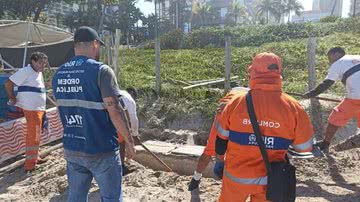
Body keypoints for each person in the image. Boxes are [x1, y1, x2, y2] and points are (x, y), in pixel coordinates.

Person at [214, 52, 314, 202]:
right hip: (271, 180)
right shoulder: (293, 107)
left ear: (252, 72)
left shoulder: (235, 103)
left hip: (236, 177)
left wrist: (220, 160)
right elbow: (304, 148)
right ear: (278, 72)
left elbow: (221, 139)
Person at [52, 26, 135, 202]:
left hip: (72, 146)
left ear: (75, 46)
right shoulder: (101, 71)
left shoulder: (58, 74)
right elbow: (114, 110)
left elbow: (64, 109)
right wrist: (129, 140)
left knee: (76, 196)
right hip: (100, 148)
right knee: (112, 197)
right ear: (95, 44)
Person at [304, 47, 360, 152]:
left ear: (335, 54)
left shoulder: (338, 63)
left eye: (329, 58)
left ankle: (325, 144)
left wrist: (312, 93)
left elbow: (327, 83)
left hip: (355, 98)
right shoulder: (357, 57)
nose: (330, 61)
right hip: (356, 97)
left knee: (335, 117)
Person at [188, 88, 245, 191]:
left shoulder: (239, 96)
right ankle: (196, 179)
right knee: (212, 149)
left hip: (234, 111)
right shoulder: (224, 113)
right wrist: (220, 160)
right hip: (231, 110)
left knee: (213, 150)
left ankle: (196, 179)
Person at [5, 52, 48, 172]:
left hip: (37, 108)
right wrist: (13, 98)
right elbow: (8, 83)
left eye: (44, 64)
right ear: (33, 61)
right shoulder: (25, 71)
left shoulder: (37, 73)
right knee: (33, 134)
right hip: (31, 108)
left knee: (36, 134)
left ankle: (35, 157)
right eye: (40, 63)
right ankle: (30, 164)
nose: (43, 66)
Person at [118, 87, 139, 175]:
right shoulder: (129, 99)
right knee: (121, 142)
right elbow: (133, 119)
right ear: (132, 94)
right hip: (115, 116)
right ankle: (121, 167)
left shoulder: (118, 92)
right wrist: (134, 135)